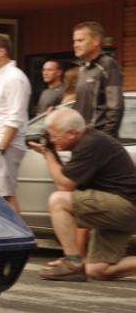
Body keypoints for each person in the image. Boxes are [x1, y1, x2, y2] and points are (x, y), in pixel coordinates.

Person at [29, 108, 136, 281]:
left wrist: (48, 154)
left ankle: (72, 263)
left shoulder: (90, 144)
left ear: (72, 133)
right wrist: (50, 150)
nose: (52, 139)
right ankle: (76, 263)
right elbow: (67, 177)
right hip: (120, 208)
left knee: (58, 201)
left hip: (125, 206)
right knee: (98, 270)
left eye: (55, 135)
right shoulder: (87, 141)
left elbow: (64, 185)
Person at [0, 32, 31, 213]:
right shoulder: (1, 76)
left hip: (3, 147)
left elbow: (15, 116)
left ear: (1, 52)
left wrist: (2, 147)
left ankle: (19, 239)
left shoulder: (14, 77)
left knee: (5, 198)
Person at [73, 21, 123, 138]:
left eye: (80, 40)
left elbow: (115, 107)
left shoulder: (108, 65)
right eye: (74, 41)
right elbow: (79, 105)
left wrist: (105, 139)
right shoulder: (82, 69)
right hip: (82, 139)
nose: (75, 44)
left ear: (96, 41)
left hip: (99, 140)